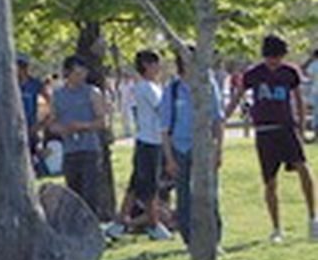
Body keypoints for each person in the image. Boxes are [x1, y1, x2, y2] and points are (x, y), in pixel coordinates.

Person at [224, 34, 316, 242]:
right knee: (270, 181)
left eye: (278, 57)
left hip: (286, 128)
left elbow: (298, 101)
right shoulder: (253, 74)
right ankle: (276, 228)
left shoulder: (290, 72)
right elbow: (237, 97)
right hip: (265, 131)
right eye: (271, 57)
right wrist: (224, 118)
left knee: (303, 168)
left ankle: (313, 219)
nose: (274, 62)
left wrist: (300, 128)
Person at [106, 50, 173, 240]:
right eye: (155, 64)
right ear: (146, 65)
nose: (158, 68)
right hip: (149, 142)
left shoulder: (154, 86)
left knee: (136, 184)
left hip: (151, 141)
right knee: (149, 185)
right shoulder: (146, 87)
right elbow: (162, 110)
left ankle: (120, 222)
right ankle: (153, 224)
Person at [161, 51, 225, 246]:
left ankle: (214, 240)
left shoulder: (208, 85)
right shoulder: (172, 89)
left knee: (209, 195)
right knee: (183, 197)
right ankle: (189, 240)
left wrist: (218, 149)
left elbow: (218, 120)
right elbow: (164, 129)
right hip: (180, 148)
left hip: (204, 147)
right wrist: (169, 158)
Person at [50, 55, 110, 217]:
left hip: (89, 149)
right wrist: (62, 129)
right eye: (77, 73)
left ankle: (93, 227)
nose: (81, 77)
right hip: (70, 150)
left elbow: (103, 122)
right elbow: (52, 123)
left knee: (90, 193)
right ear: (67, 73)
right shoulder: (57, 95)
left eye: (83, 73)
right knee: (73, 194)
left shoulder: (92, 92)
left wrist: (83, 126)